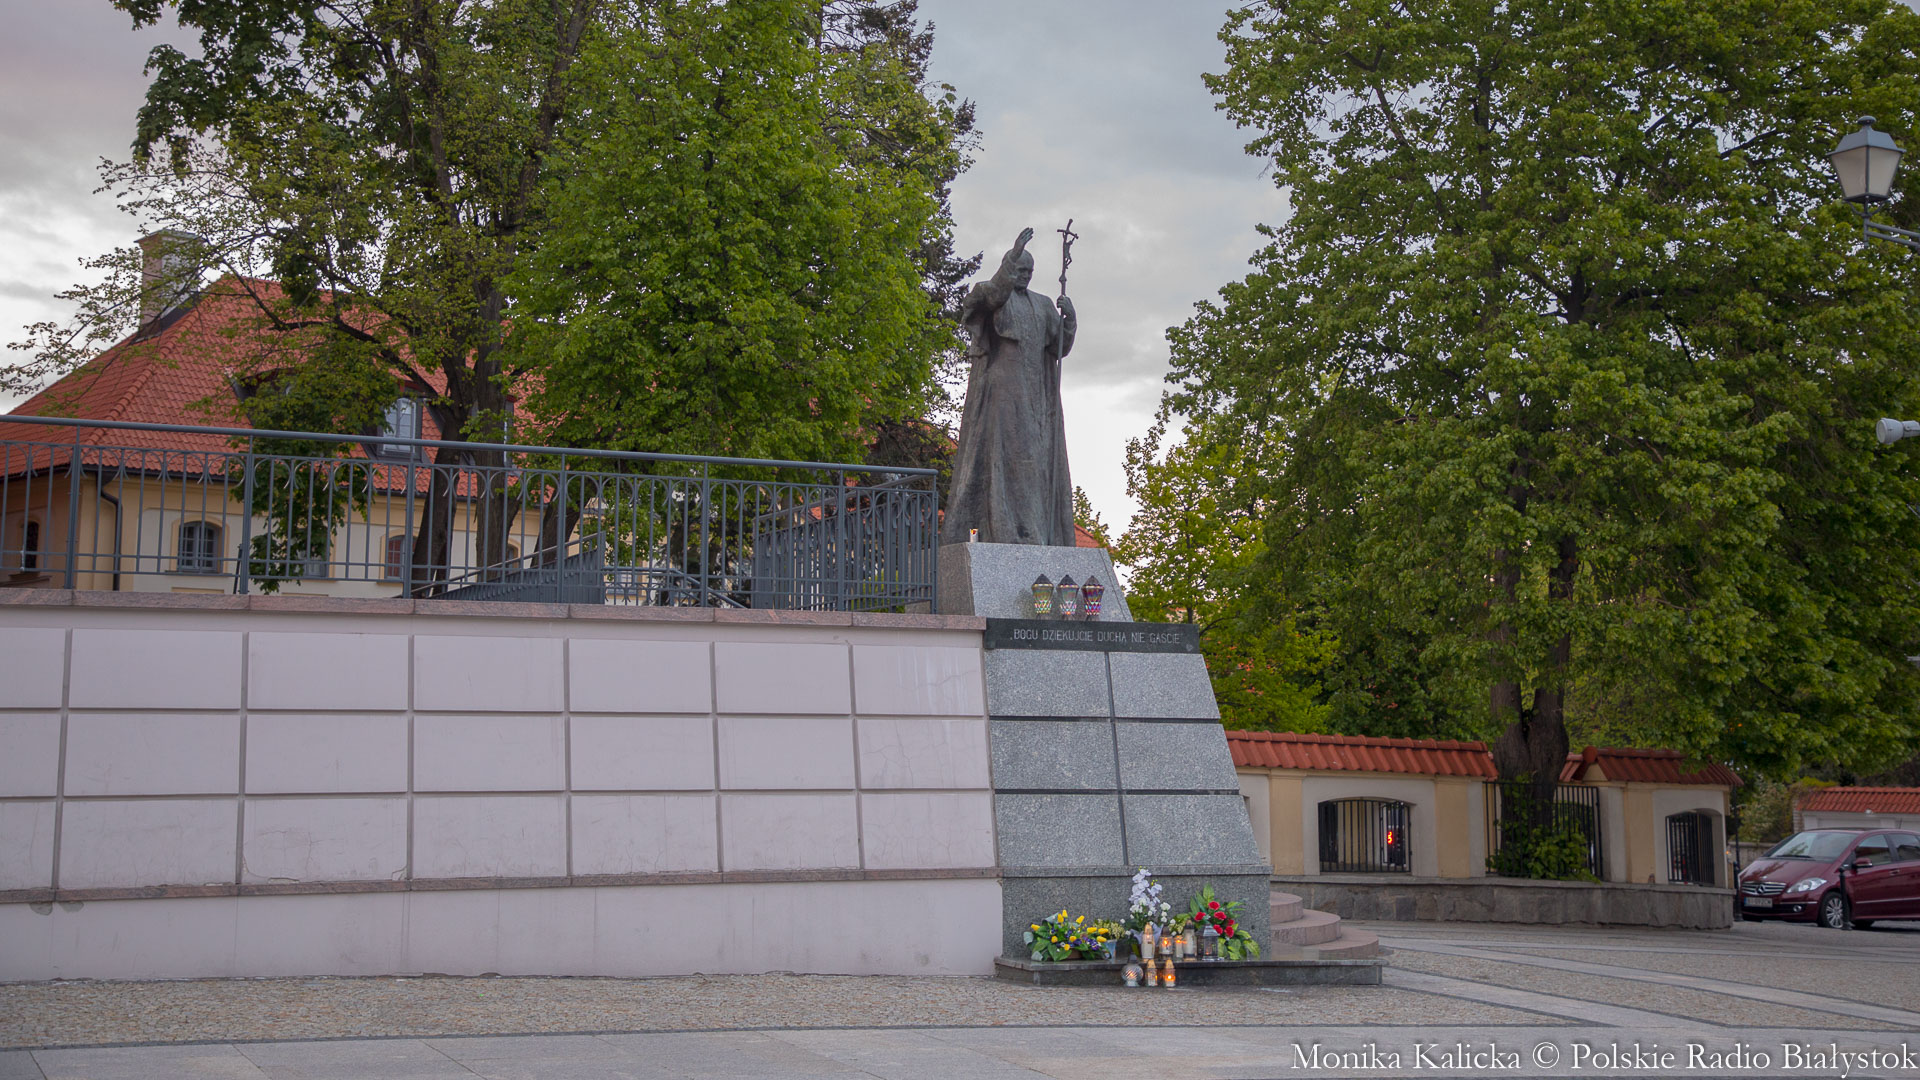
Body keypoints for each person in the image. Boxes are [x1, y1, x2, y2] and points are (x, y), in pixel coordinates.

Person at [942, 227, 1077, 545]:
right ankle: (996, 532)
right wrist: (1012, 257)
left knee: (1034, 462)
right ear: (1008, 268)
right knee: (1003, 460)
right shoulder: (991, 296)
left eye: (1030, 271)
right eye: (1020, 270)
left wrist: (1069, 319)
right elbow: (988, 298)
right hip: (1002, 392)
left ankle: (1034, 530)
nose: (1026, 276)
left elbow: (1059, 347)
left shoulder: (1043, 305)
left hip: (1036, 397)